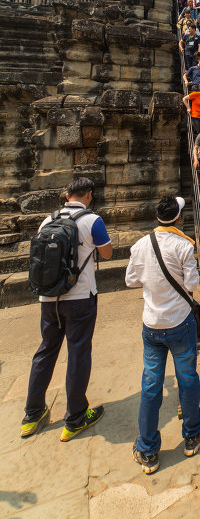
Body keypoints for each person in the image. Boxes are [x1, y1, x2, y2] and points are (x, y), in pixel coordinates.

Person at [21, 178, 113, 441]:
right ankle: (74, 418)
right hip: (80, 297)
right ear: (89, 195)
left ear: (66, 194)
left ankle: (32, 414)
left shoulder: (46, 221)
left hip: (48, 299)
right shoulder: (92, 220)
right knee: (78, 353)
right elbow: (106, 254)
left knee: (45, 352)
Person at [127, 195, 200, 474]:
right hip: (180, 323)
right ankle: (192, 433)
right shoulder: (184, 246)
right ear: (178, 218)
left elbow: (130, 279)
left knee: (151, 385)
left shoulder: (139, 245)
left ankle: (148, 449)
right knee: (187, 378)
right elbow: (193, 284)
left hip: (152, 324)